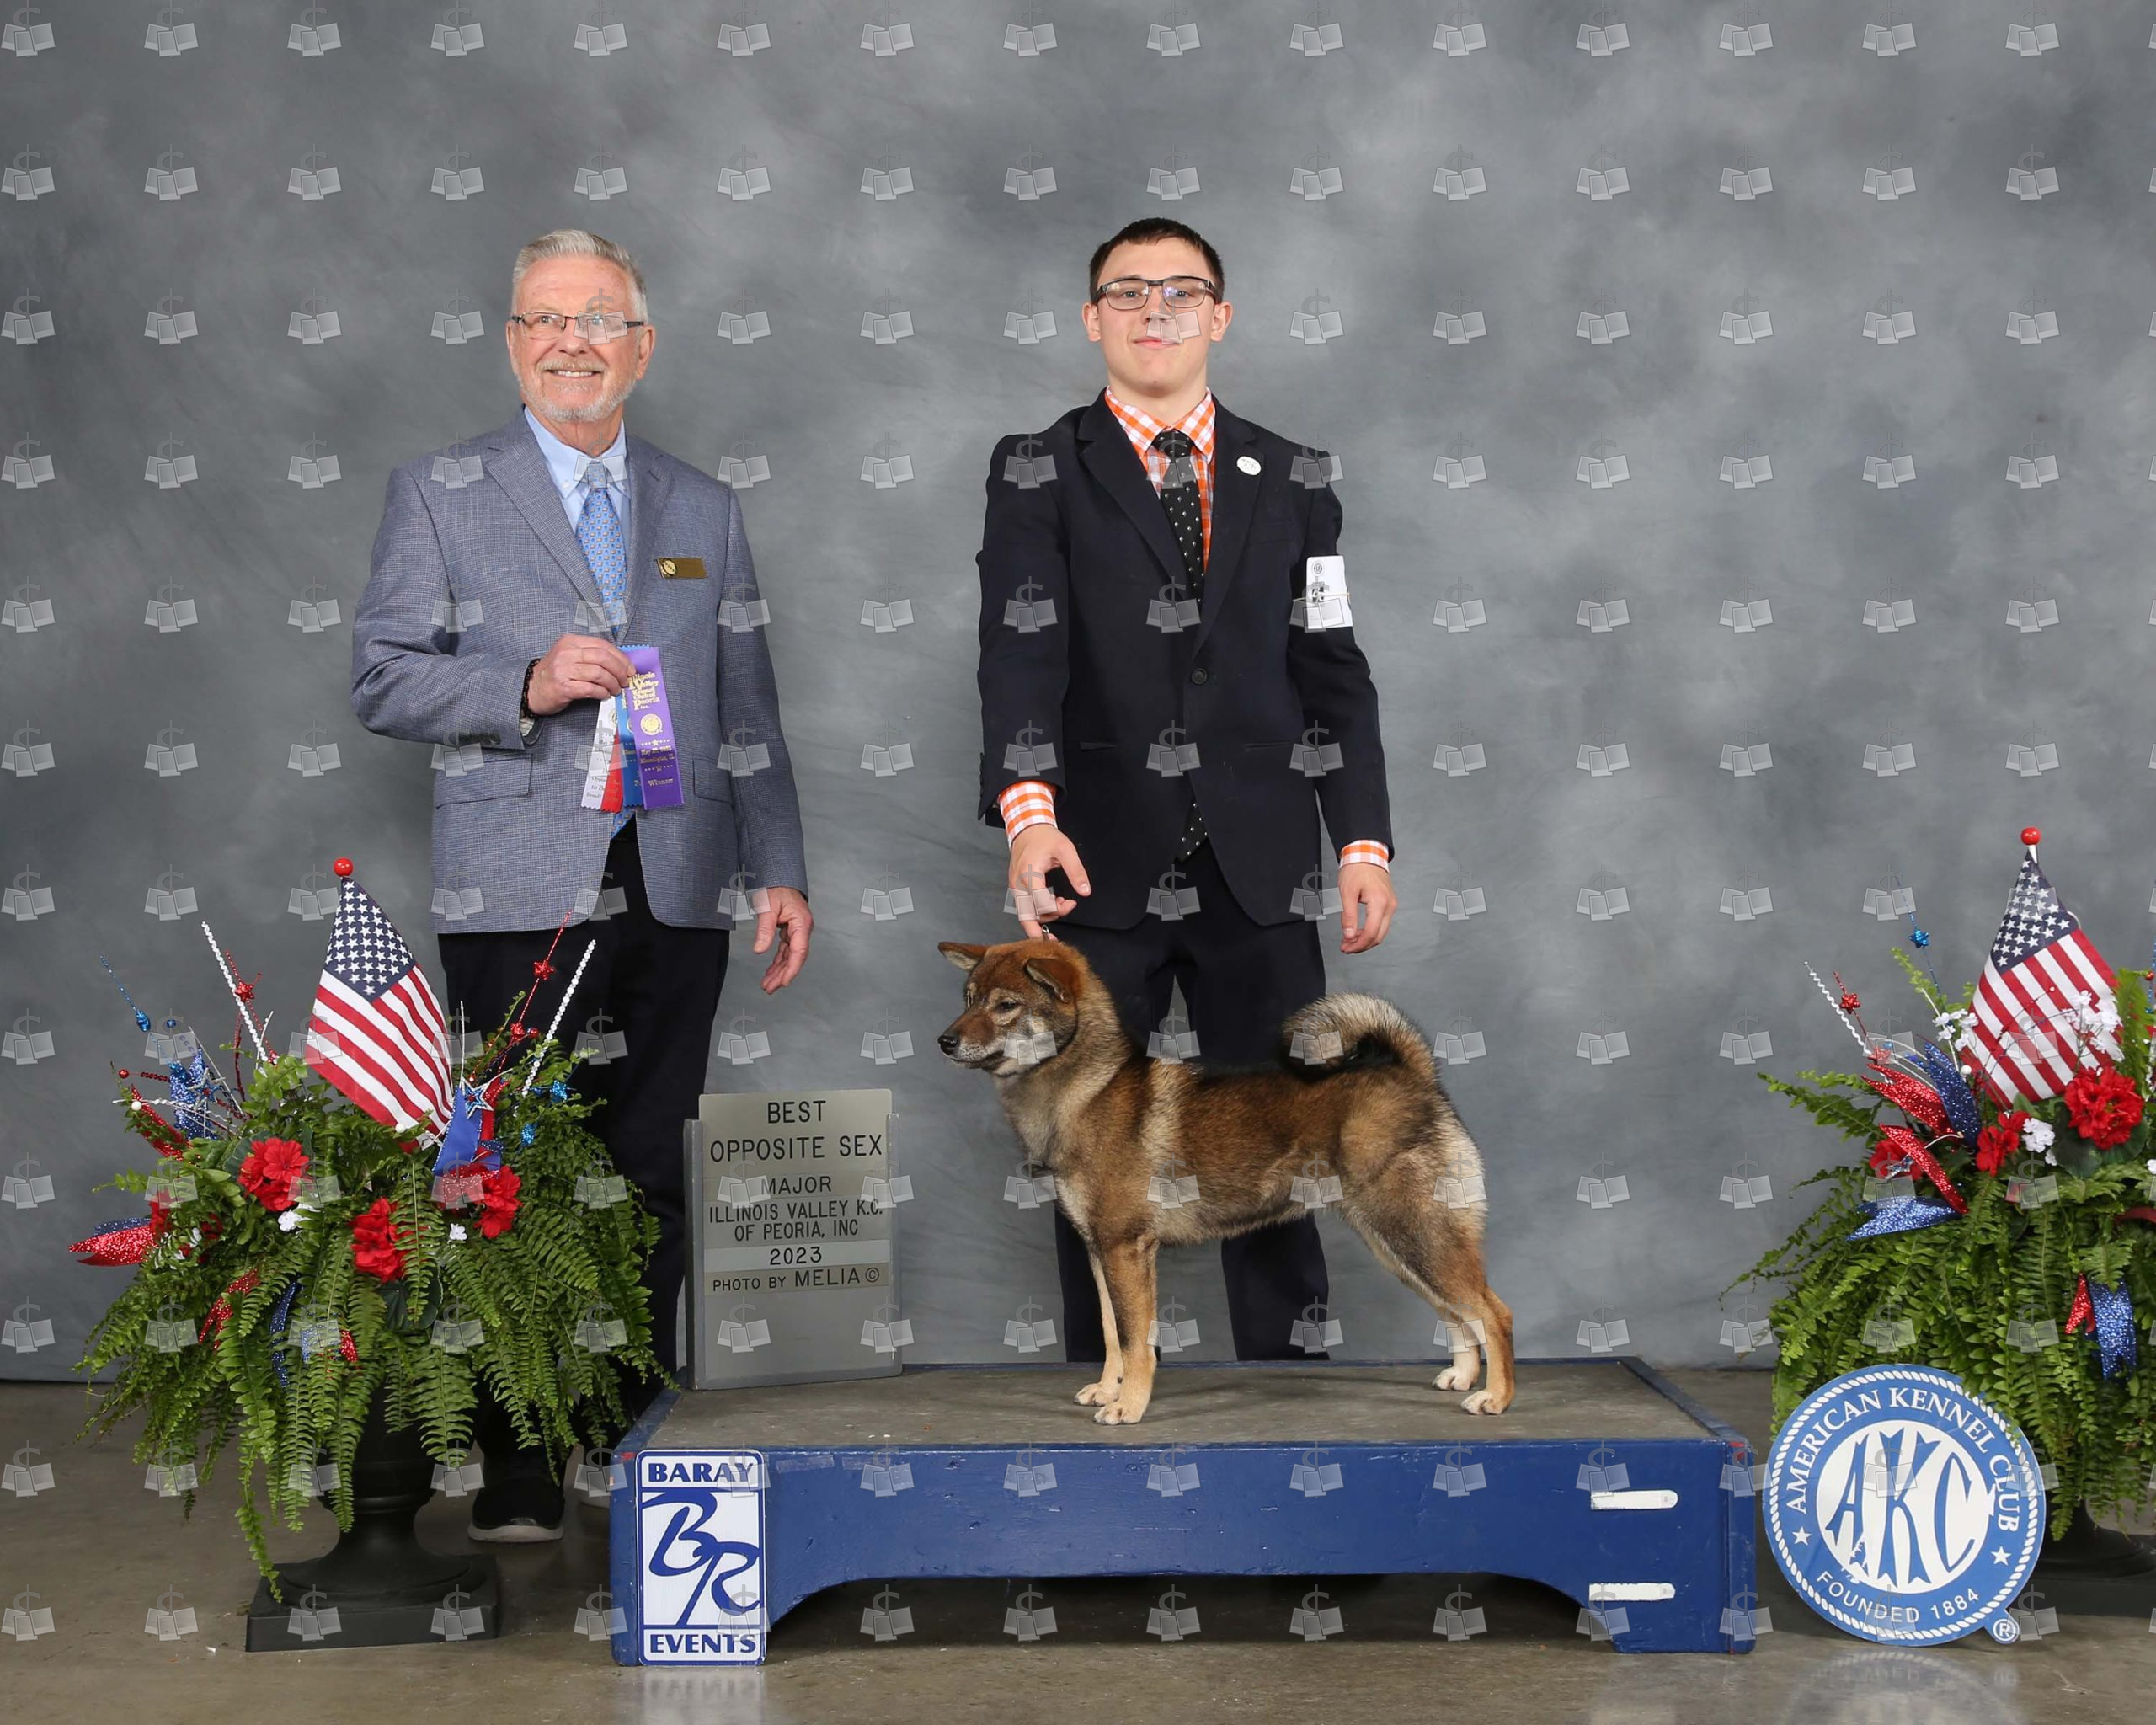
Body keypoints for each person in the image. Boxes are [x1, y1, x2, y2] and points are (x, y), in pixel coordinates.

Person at [351, 228, 812, 1540]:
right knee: (506, 1170)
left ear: (640, 348)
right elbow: (382, 677)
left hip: (676, 878)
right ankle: (514, 1460)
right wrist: (523, 683)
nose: (572, 342)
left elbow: (746, 705)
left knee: (650, 1168)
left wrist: (777, 866)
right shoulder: (438, 491)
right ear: (512, 345)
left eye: (599, 319)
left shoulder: (703, 506)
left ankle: (622, 1439)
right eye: (546, 320)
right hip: (517, 886)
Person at [974, 216, 1399, 1364]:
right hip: (1093, 861)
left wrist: (1362, 842)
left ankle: (1289, 1405)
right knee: (1088, 1149)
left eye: (1180, 290)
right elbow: (1019, 655)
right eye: (1127, 291)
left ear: (1221, 314)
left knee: (1287, 1139)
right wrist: (1029, 819)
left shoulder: (1295, 476)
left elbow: (1332, 665)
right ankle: (1106, 1393)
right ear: (1091, 318)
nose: (1154, 310)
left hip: (1261, 866)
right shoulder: (1036, 467)